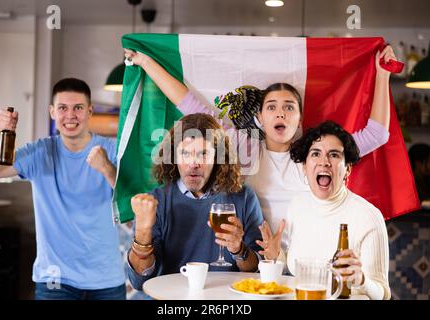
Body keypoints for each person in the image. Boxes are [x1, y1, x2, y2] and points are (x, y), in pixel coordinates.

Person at [123, 45, 397, 244]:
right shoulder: (242, 145)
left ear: (300, 119)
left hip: (307, 254)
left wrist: (382, 75)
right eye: (272, 107)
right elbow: (188, 104)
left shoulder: (316, 155)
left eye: (289, 107)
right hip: (251, 255)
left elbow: (377, 135)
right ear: (259, 118)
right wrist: (147, 62)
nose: (280, 113)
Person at [0, 78, 126, 300]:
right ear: (52, 112)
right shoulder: (40, 152)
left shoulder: (112, 150)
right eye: (63, 108)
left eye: (78, 108)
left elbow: (132, 197)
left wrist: (106, 168)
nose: (70, 115)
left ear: (90, 111)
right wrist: (2, 132)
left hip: (106, 280)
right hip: (55, 280)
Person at [126, 113, 264, 293]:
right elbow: (140, 280)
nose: (194, 163)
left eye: (204, 153)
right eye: (185, 153)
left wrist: (239, 249)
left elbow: (257, 271)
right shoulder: (156, 202)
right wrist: (143, 232)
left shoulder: (243, 198)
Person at [258, 121, 391, 300]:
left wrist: (362, 280)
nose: (324, 162)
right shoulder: (297, 205)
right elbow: (297, 267)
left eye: (334, 155)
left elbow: (383, 294)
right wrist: (277, 255)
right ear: (305, 167)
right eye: (315, 154)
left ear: (348, 169)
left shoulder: (368, 217)